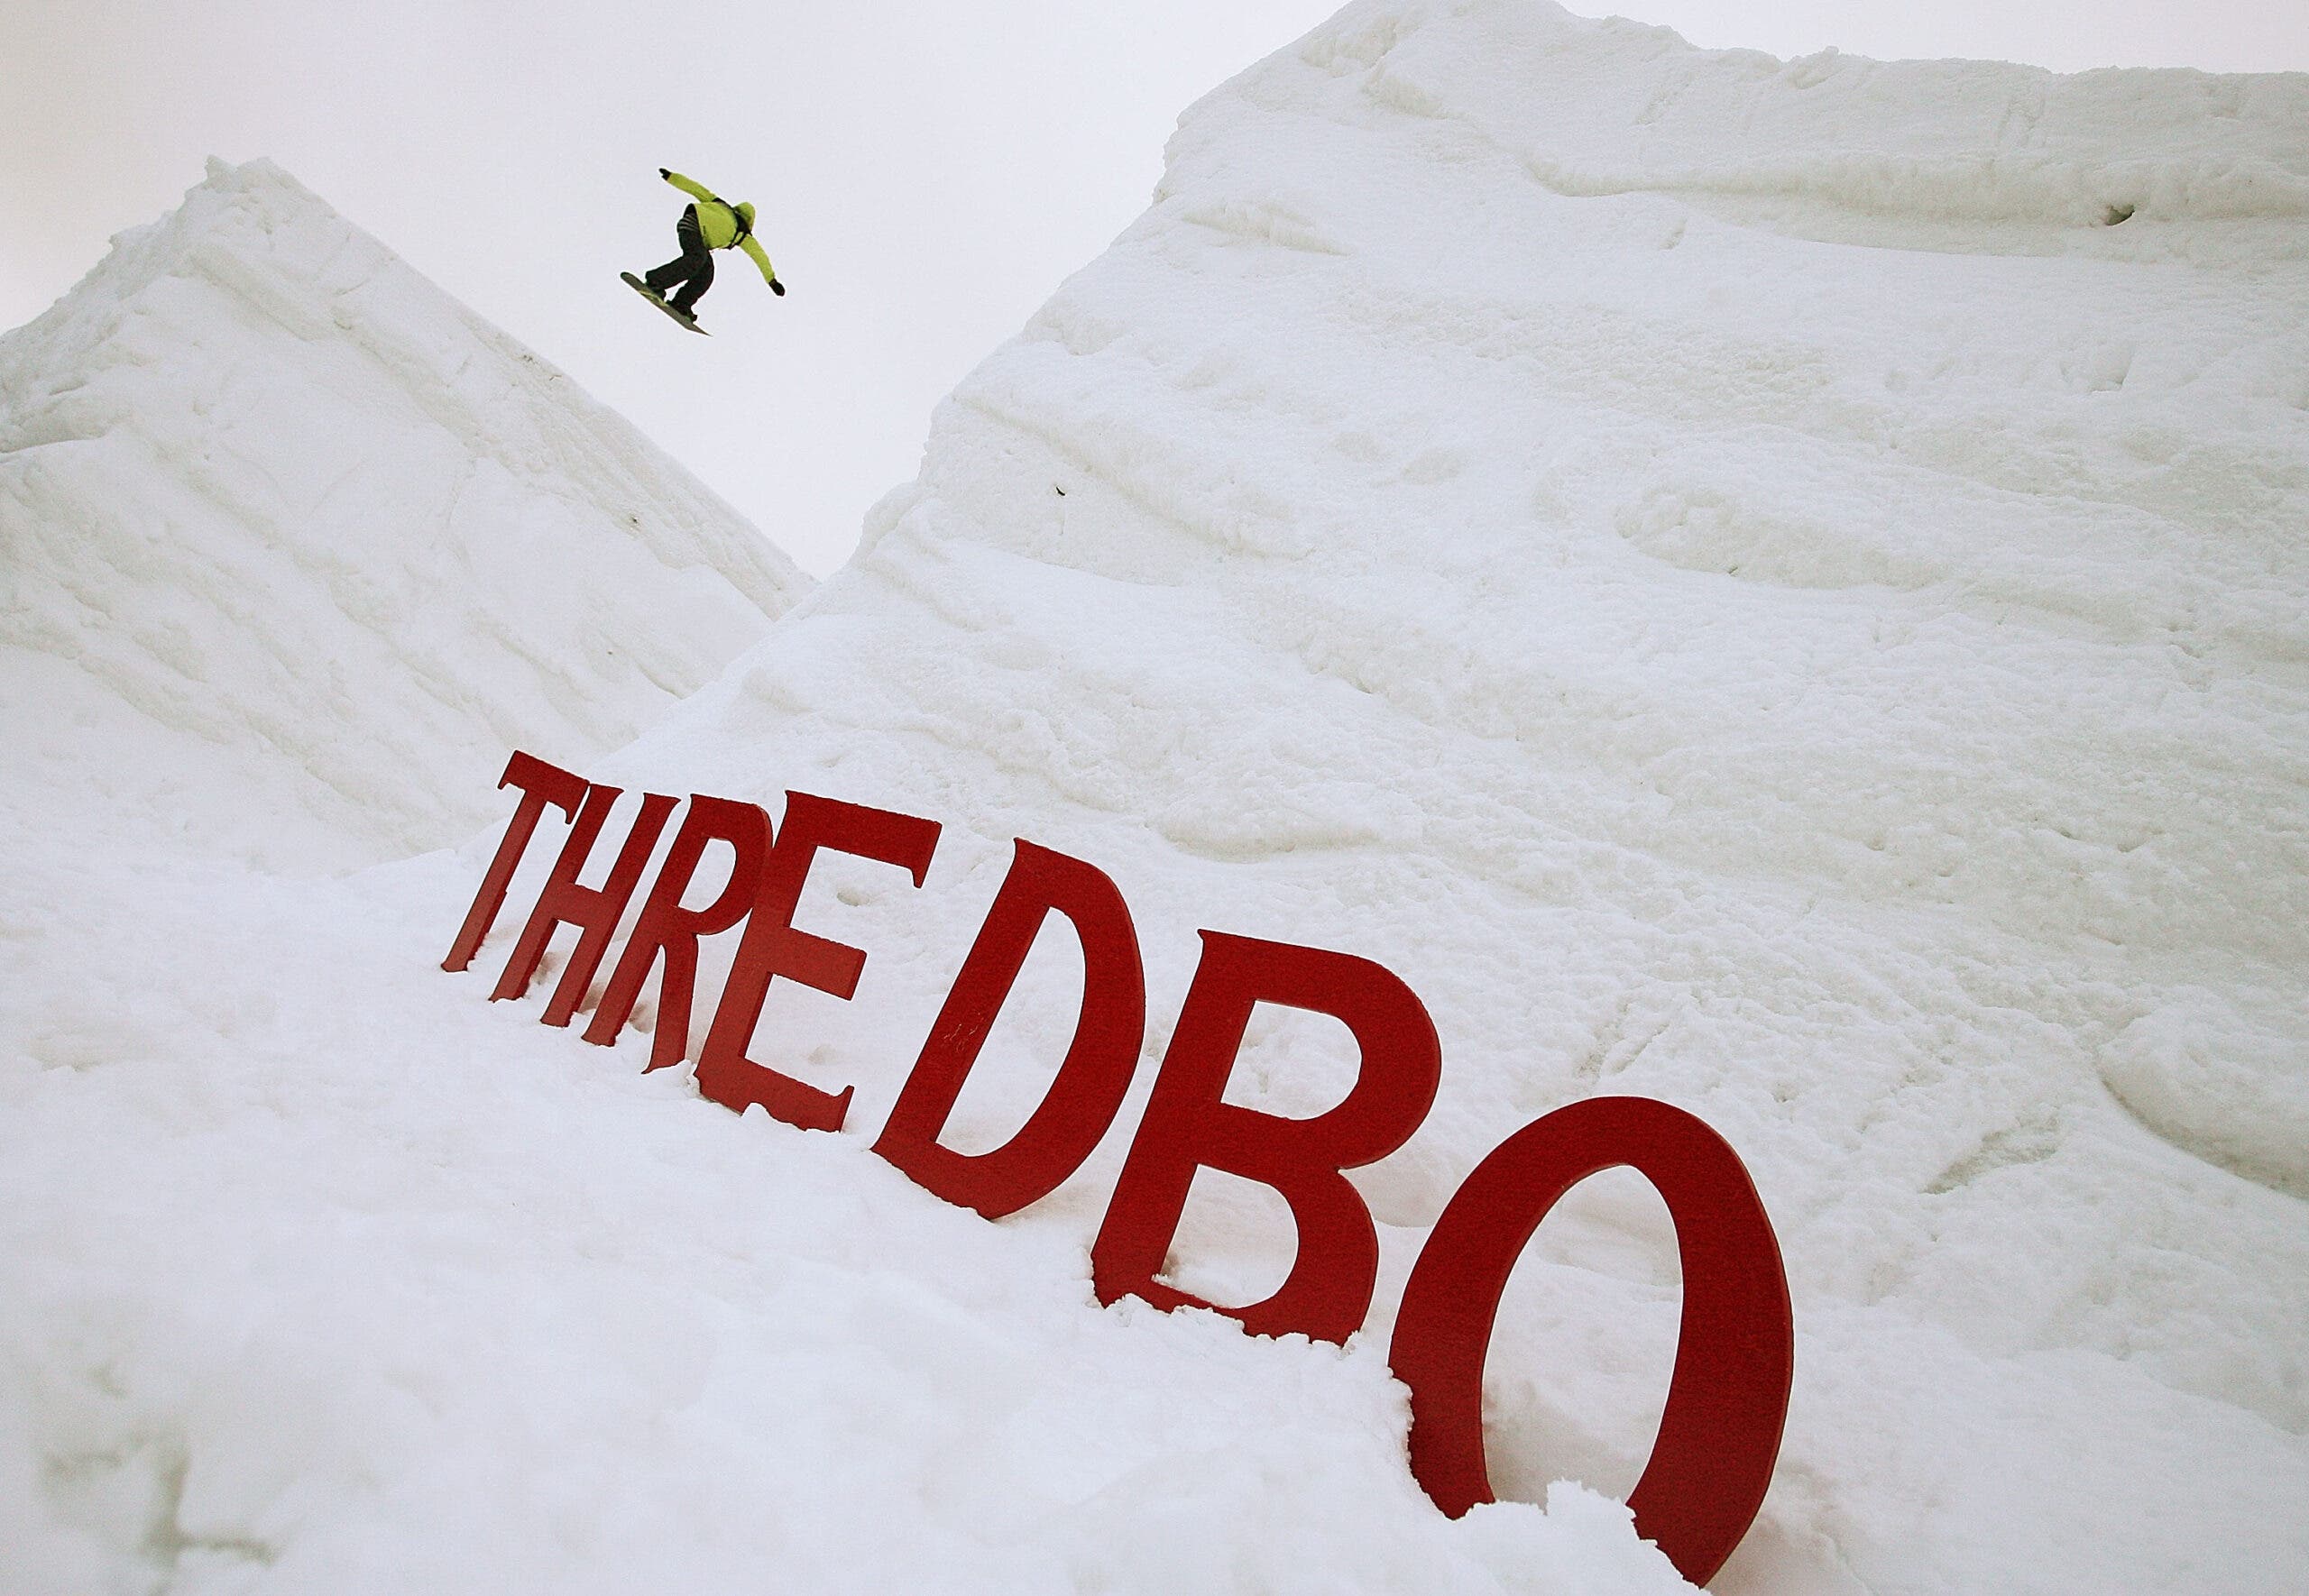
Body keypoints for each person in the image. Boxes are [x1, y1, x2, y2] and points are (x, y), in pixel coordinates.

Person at [639, 169, 785, 319]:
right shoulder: (744, 234)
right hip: (694, 226)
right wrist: (772, 281)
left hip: (689, 225)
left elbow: (696, 188)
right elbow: (759, 256)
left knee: (707, 272)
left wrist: (672, 178)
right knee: (696, 258)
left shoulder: (720, 204)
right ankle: (655, 282)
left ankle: (681, 304)